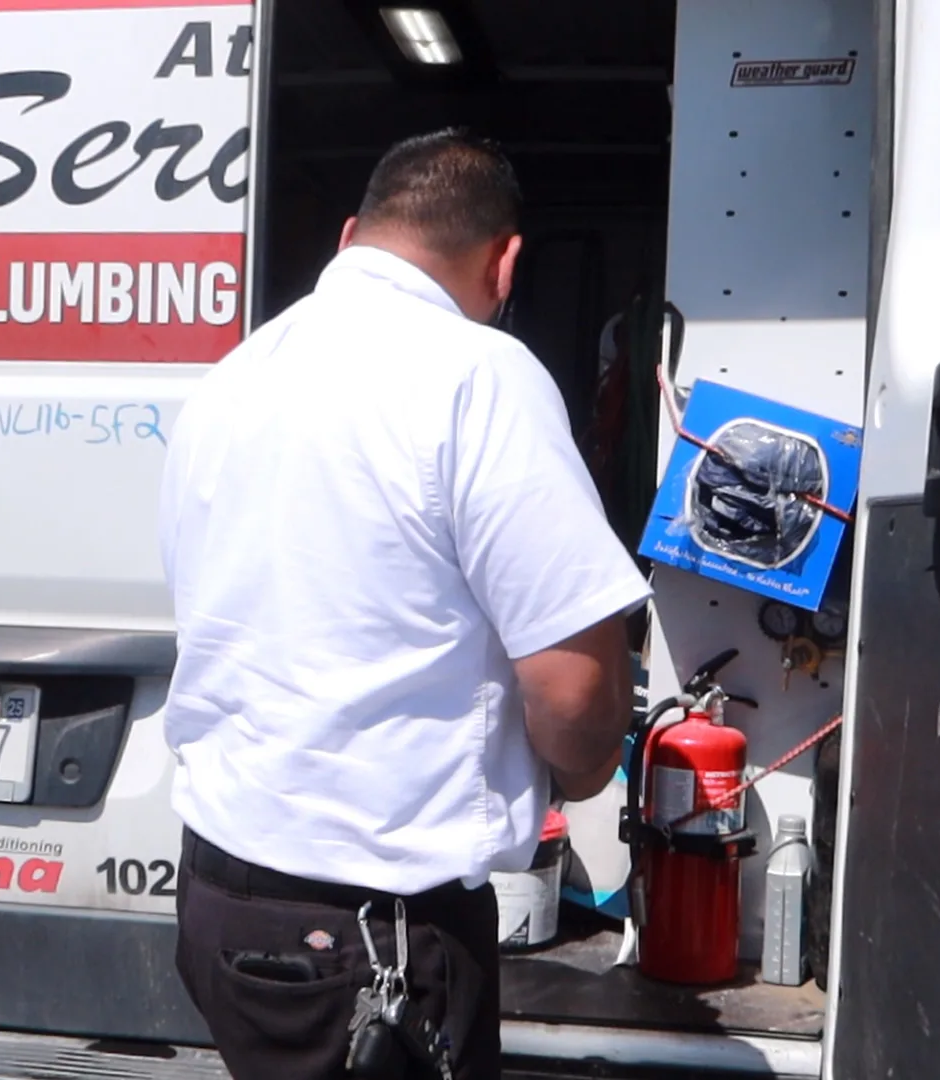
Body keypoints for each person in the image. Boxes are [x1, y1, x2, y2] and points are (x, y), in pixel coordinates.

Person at [157, 128, 653, 1080]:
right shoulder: (479, 376)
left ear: (350, 236)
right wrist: (585, 774)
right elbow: (576, 688)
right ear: (505, 264)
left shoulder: (230, 379)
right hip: (372, 941)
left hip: (221, 899)